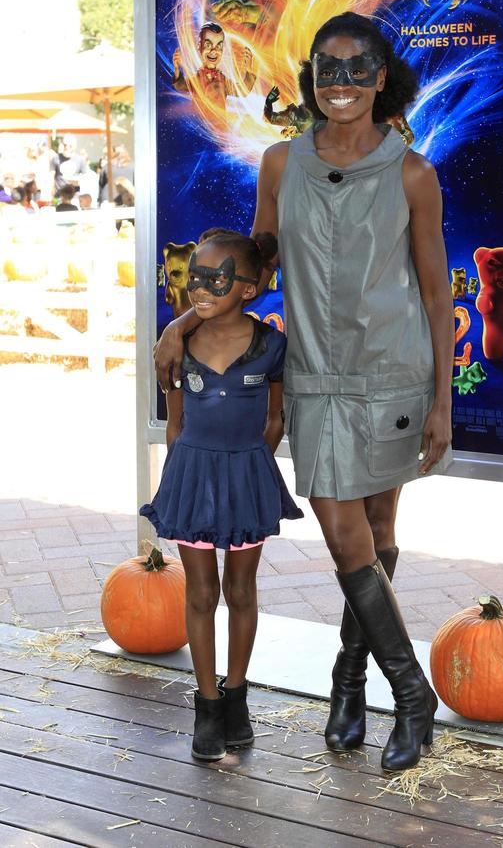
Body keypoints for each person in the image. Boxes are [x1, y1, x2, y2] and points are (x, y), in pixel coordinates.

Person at [155, 12, 454, 773]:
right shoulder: (282, 165)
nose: (342, 83)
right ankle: (415, 699)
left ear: (382, 76)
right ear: (311, 76)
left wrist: (443, 401)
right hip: (315, 374)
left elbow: (432, 288)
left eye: (358, 68)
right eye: (328, 68)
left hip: (394, 374)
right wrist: (184, 320)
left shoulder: (413, 174)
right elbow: (253, 265)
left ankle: (350, 685)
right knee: (344, 533)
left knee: (380, 529)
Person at [143, 229, 303, 761]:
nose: (200, 290)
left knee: (241, 592)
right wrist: (176, 479)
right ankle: (207, 703)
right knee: (199, 594)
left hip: (246, 482)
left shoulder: (272, 345)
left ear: (249, 289)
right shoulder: (180, 346)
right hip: (190, 478)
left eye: (215, 279)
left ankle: (237, 696)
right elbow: (176, 423)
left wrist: (252, 469)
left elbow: (275, 419)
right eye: (194, 280)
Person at [172, 22, 255, 109]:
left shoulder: (223, 80)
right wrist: (177, 69)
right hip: (198, 120)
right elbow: (180, 86)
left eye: (219, 46)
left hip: (218, 121)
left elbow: (242, 92)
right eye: (208, 45)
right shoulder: (196, 79)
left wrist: (249, 70)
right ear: (199, 46)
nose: (214, 51)